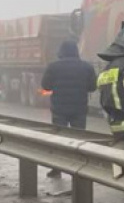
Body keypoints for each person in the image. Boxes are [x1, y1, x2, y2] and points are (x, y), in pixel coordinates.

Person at [41, 39, 97, 177]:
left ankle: (57, 168)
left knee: (58, 138)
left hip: (59, 108)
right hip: (79, 108)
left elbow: (46, 86)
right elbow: (92, 87)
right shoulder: (87, 67)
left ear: (61, 51)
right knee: (78, 138)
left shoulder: (53, 67)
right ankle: (78, 167)